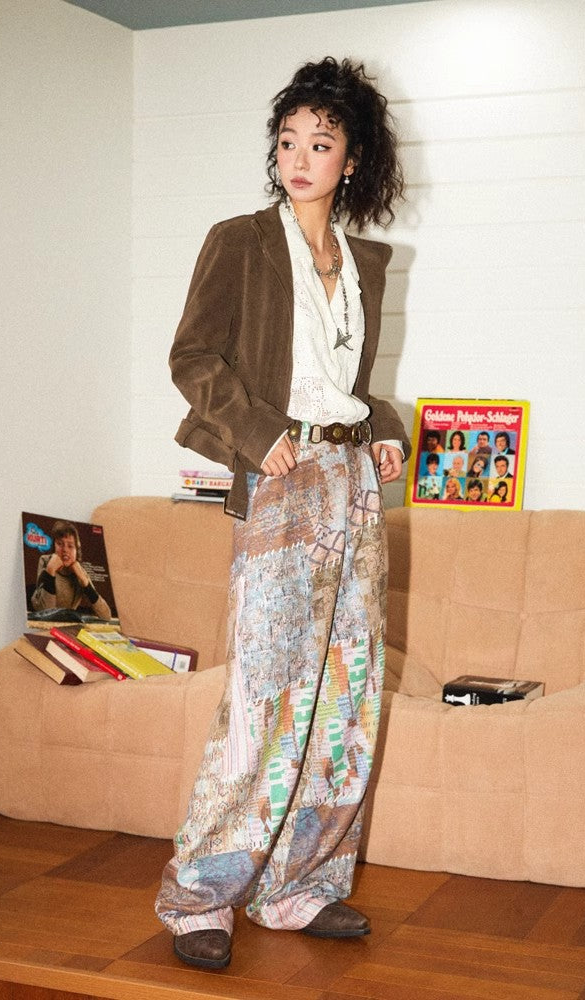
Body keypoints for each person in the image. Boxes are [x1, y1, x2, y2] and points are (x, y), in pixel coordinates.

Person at [155, 57, 409, 971]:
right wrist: (257, 432)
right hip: (281, 477)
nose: (299, 158)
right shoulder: (240, 242)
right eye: (289, 140)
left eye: (321, 143)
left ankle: (299, 888)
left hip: (351, 485)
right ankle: (202, 898)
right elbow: (193, 357)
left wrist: (383, 429)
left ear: (352, 159)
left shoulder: (365, 263)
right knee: (266, 699)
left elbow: (348, 383)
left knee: (346, 696)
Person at [30, 520, 111, 620]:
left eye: (70, 546)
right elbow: (46, 612)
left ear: (77, 550)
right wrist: (50, 570)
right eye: (60, 544)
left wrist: (85, 582)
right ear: (54, 546)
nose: (65, 550)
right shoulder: (45, 561)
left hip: (67, 620)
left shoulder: (80, 572)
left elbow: (106, 615)